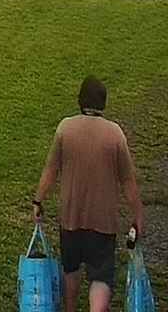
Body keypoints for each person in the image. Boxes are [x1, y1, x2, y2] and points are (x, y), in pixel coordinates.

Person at [33, 75, 146, 312]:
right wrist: (138, 215)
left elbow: (51, 170)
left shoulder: (65, 128)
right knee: (101, 275)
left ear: (80, 100)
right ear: (103, 102)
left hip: (71, 217)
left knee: (71, 268)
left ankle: (71, 308)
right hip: (102, 221)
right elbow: (128, 181)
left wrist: (38, 200)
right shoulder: (115, 134)